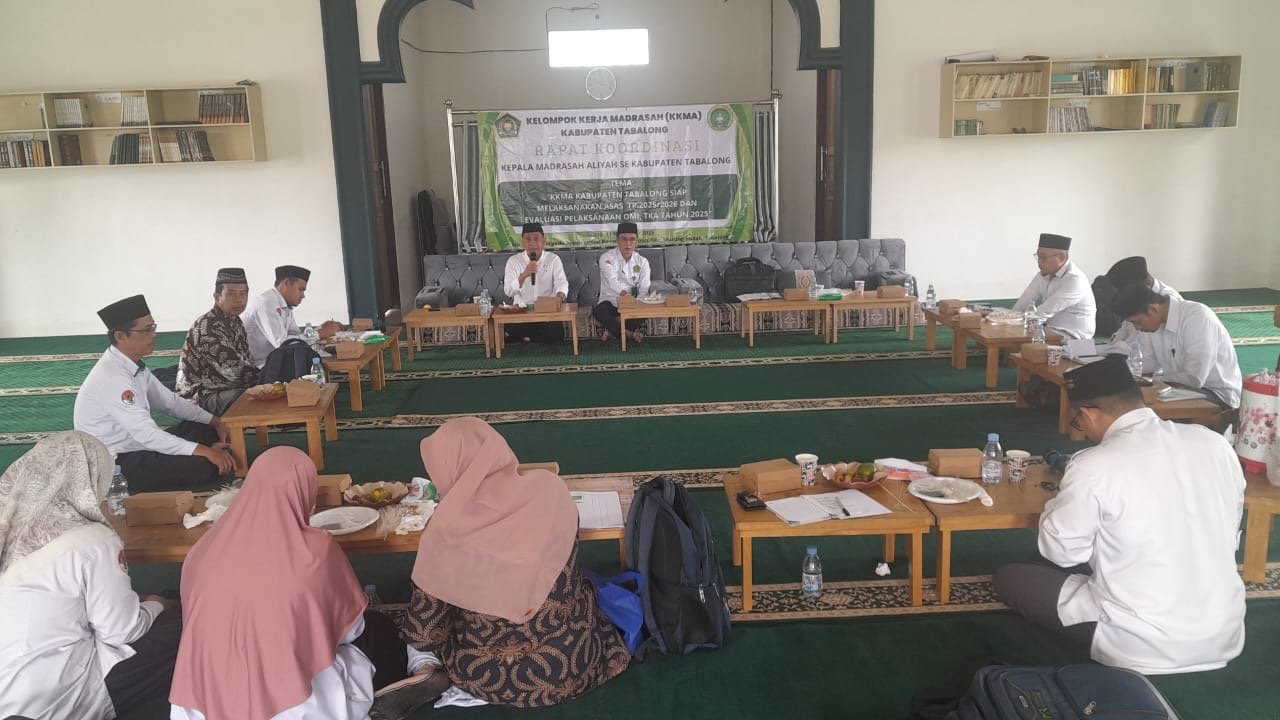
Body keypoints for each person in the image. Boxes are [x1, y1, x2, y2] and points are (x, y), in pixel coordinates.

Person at [994, 356, 1246, 674]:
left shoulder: (1094, 464)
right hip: (1221, 633)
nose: (1082, 430)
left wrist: (1054, 505)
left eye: (1078, 421)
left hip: (1137, 641)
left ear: (1088, 413)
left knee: (1011, 578)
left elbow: (1061, 553)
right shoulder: (1214, 444)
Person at [170, 446, 446, 720]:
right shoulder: (313, 550)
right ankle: (408, 675)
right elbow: (352, 631)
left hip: (204, 695)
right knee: (377, 629)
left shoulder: (202, 549)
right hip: (291, 700)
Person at [401, 418, 630, 708]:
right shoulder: (551, 490)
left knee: (419, 639)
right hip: (570, 663)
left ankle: (424, 668)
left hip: (483, 675)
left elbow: (426, 629)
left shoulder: (445, 529)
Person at [0, 432, 183, 720]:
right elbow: (123, 631)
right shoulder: (91, 539)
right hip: (61, 698)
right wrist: (158, 604)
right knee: (186, 625)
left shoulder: (7, 530)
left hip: (9, 698)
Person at [73, 295, 235, 493]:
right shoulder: (112, 377)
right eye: (146, 330)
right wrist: (205, 451)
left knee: (203, 427)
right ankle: (211, 456)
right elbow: (146, 434)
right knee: (201, 465)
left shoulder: (133, 365)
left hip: (139, 445)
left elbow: (170, 403)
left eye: (153, 327)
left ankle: (211, 450)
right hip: (117, 463)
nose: (153, 335)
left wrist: (215, 421)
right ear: (120, 336)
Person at [1111, 284, 1243, 409]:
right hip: (1178, 388)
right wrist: (1116, 372)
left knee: (1144, 407)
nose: (1137, 328)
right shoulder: (1155, 324)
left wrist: (1156, 380)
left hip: (1217, 396)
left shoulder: (1198, 318)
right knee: (1127, 399)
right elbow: (1148, 363)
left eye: (1137, 322)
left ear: (1153, 309)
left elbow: (1194, 379)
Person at [175, 267, 260, 415]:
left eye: (243, 293)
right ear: (217, 296)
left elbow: (247, 361)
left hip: (225, 388)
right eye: (231, 294)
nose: (239, 299)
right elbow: (236, 373)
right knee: (249, 396)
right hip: (200, 397)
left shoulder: (236, 322)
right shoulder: (208, 327)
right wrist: (268, 380)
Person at [243, 265, 343, 366]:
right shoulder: (267, 303)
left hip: (276, 363)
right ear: (286, 283)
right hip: (260, 367)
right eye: (301, 289)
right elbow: (283, 344)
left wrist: (320, 329)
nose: (303, 295)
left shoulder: (284, 306)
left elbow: (295, 337)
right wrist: (320, 333)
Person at [1011, 233, 1096, 339]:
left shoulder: (1075, 280)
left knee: (1018, 342)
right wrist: (1008, 320)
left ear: (1061, 258)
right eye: (1038, 256)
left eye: (1043, 257)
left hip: (1073, 337)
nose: (1039, 262)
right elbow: (1023, 302)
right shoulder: (1043, 274)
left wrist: (1012, 325)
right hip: (1049, 330)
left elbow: (1043, 313)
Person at [502, 222, 569, 343]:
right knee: (510, 326)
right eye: (528, 239)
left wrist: (559, 297)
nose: (532, 243)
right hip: (522, 312)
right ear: (522, 243)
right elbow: (508, 291)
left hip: (547, 312)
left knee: (557, 332)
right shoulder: (514, 261)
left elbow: (562, 283)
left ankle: (526, 338)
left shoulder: (553, 259)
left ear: (544, 242)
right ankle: (530, 337)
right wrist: (524, 275)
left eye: (536, 239)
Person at [1094, 256, 1182, 339]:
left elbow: (1140, 340)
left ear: (1144, 286)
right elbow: (1124, 331)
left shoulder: (1169, 305)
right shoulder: (1137, 301)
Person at [593, 221, 651, 343]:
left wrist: (638, 302)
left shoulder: (642, 261)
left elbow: (644, 287)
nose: (628, 244)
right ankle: (629, 334)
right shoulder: (607, 257)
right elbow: (611, 280)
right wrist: (624, 294)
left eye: (632, 240)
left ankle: (614, 331)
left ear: (637, 241)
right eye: (624, 239)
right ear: (617, 241)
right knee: (599, 311)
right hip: (611, 302)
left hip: (632, 303)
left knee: (646, 310)